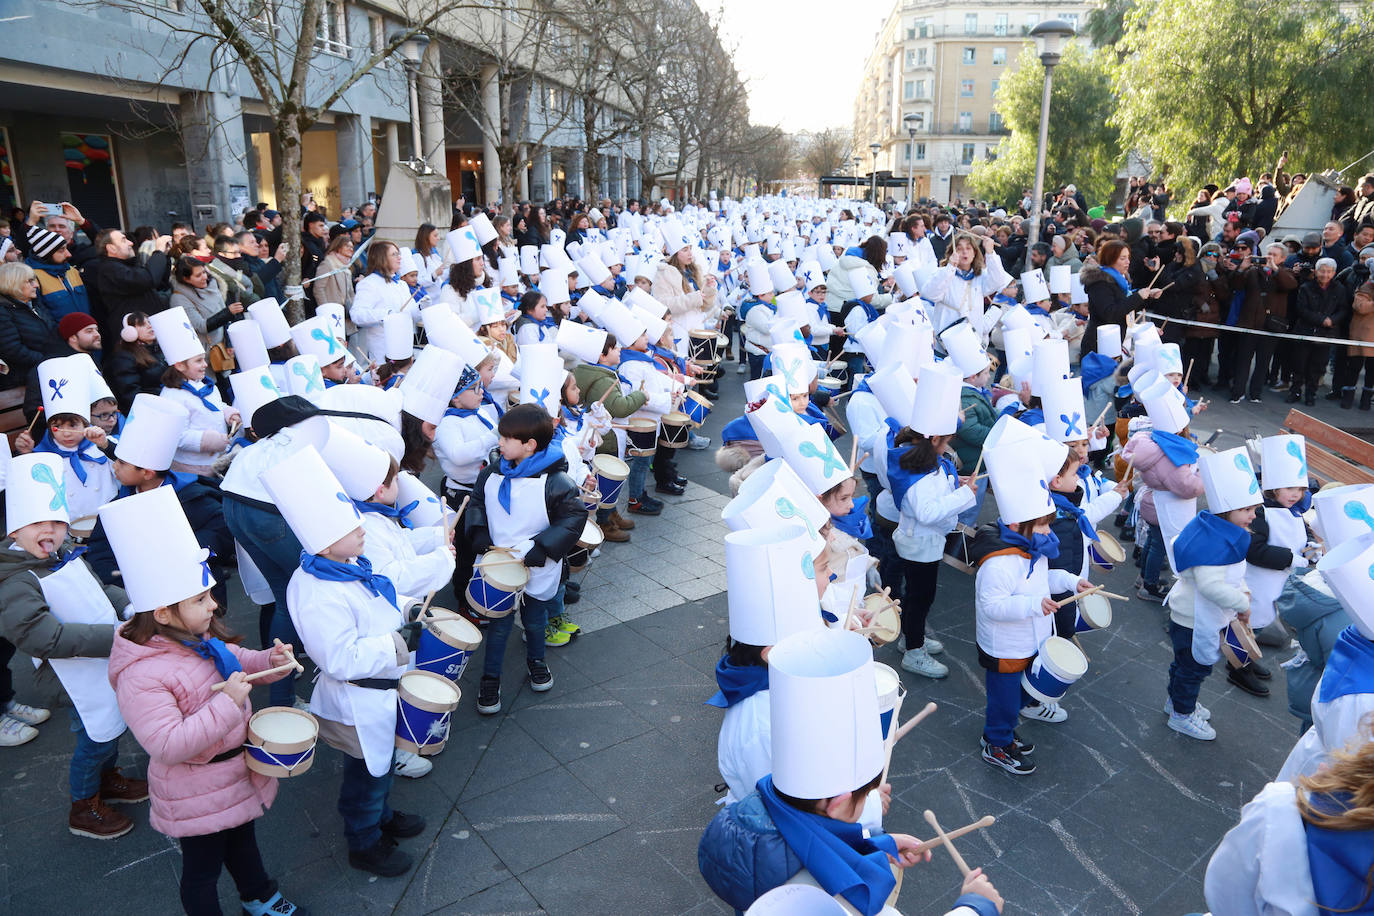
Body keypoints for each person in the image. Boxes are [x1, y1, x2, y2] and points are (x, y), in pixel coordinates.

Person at [103, 486, 306, 916]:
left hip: (235, 770)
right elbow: (167, 744)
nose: (213, 605)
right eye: (201, 599)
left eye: (210, 594)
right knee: (202, 872)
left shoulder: (198, 638)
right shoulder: (142, 674)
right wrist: (227, 705)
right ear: (161, 613)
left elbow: (236, 662)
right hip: (195, 788)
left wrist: (271, 660)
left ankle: (260, 898)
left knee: (244, 844)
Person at [261, 445, 427, 878]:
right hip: (359, 698)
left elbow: (380, 597)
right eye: (352, 527)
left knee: (383, 761)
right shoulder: (315, 591)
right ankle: (364, 840)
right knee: (366, 772)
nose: (363, 529)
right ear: (322, 539)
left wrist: (409, 608)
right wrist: (395, 642)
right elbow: (338, 657)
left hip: (384, 686)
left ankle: (380, 815)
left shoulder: (348, 563)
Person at [698, 628, 925, 914]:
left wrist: (881, 843)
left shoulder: (762, 812)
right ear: (840, 803)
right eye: (863, 796)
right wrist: (975, 906)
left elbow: (810, 839)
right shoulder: (832, 902)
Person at [0, 453, 147, 839]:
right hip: (71, 676)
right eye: (36, 523)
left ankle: (108, 780)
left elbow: (99, 589)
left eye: (57, 523)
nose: (48, 530)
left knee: (113, 725)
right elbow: (41, 636)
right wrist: (114, 637)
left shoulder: (61, 554)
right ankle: (83, 805)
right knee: (95, 736)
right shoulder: (16, 581)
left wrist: (128, 607)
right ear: (15, 531)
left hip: (101, 660)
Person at [970, 441, 1090, 775]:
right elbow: (993, 605)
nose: (1048, 532)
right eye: (1043, 526)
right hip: (1005, 646)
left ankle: (1003, 732)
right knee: (1006, 700)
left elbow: (1041, 582)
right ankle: (996, 743)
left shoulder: (1028, 549)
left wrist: (1069, 581)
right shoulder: (998, 563)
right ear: (1018, 525)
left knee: (1021, 694)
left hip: (1029, 639)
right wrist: (1032, 605)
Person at [464, 404, 582, 714]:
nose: (499, 443)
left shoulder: (556, 482)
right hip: (500, 565)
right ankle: (490, 678)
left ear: (529, 445)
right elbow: (477, 503)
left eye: (506, 438)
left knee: (534, 619)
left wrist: (542, 548)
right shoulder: (491, 473)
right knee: (499, 624)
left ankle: (536, 660)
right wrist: (477, 533)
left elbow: (572, 519)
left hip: (538, 563)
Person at [1163, 448, 1260, 741]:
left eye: (1254, 509)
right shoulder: (1214, 543)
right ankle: (1182, 714)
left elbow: (1230, 575)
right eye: (1246, 510)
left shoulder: (1211, 528)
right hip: (1195, 619)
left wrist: (1241, 589)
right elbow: (1211, 586)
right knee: (1194, 669)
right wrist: (1242, 602)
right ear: (1226, 510)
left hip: (1189, 614)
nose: (1253, 516)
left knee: (1183, 666)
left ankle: (1177, 702)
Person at [889, 371, 975, 681]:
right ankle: (914, 651)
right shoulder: (919, 469)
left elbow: (933, 492)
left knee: (917, 596)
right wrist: (964, 496)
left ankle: (910, 638)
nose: (949, 445)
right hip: (920, 544)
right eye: (948, 440)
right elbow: (926, 511)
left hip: (925, 542)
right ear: (934, 439)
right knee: (920, 597)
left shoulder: (923, 461)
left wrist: (957, 483)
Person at [1079, 240, 1162, 355]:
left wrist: (1148, 296)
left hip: (1114, 342)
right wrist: (1138, 297)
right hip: (1098, 345)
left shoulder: (1119, 280)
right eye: (1122, 258)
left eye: (1128, 257)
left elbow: (1127, 305)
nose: (1127, 262)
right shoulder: (1099, 282)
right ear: (1110, 259)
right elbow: (1110, 313)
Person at [352, 241, 414, 364]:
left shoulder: (401, 284)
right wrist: (386, 314)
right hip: (382, 351)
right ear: (382, 258)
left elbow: (411, 312)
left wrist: (422, 307)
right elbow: (357, 314)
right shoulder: (369, 283)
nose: (399, 257)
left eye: (399, 254)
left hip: (405, 348)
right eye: (394, 254)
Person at [105, 311, 170, 413]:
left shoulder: (161, 349)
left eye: (150, 323)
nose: (149, 326)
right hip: (150, 411)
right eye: (142, 324)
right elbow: (130, 393)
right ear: (129, 331)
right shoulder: (123, 358)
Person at [24, 223, 91, 321]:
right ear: (46, 254)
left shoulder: (71, 271)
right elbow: (41, 315)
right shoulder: (33, 278)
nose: (68, 254)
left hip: (86, 332)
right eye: (61, 250)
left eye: (66, 248)